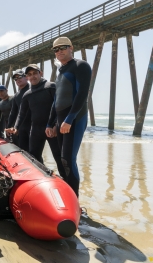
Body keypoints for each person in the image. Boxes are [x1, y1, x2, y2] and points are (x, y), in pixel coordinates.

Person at [45, 37, 92, 197]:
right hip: (61, 121)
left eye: (62, 48)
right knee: (60, 160)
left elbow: (82, 94)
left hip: (74, 119)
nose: (59, 51)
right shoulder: (61, 72)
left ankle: (75, 200)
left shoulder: (80, 66)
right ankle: (68, 196)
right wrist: (50, 124)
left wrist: (69, 119)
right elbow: (56, 101)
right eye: (56, 49)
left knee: (68, 160)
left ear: (71, 47)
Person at [13, 64, 66, 177]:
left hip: (52, 129)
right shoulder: (27, 94)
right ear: (27, 77)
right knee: (34, 157)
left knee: (59, 157)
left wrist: (56, 125)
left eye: (35, 73)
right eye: (29, 75)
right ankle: (43, 179)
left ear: (40, 73)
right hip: (36, 129)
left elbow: (59, 107)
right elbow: (21, 114)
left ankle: (66, 183)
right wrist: (16, 127)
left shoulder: (50, 86)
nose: (32, 77)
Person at [5, 69, 31, 151]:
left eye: (20, 77)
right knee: (24, 151)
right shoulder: (16, 95)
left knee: (35, 153)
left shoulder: (33, 89)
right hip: (21, 128)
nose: (18, 79)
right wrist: (8, 127)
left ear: (26, 77)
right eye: (15, 79)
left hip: (34, 127)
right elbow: (13, 112)